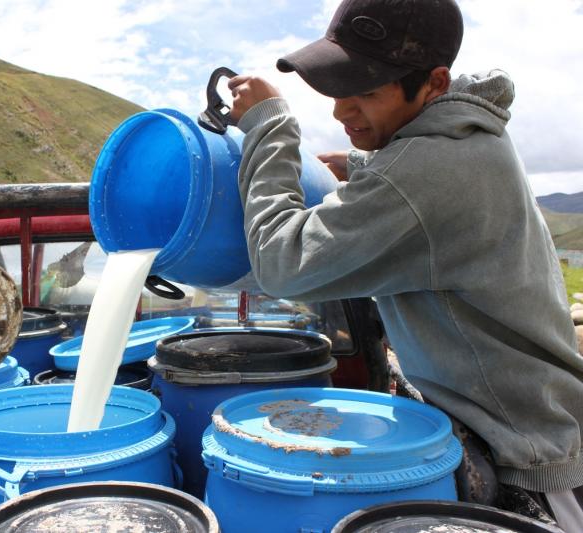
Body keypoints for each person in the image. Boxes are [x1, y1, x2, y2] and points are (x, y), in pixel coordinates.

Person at [226, 0, 583, 529]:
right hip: (534, 419)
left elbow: (283, 263)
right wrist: (366, 165)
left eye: (366, 92)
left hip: (521, 457)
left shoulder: (422, 173)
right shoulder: (468, 135)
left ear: (434, 82)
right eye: (336, 89)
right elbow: (421, 179)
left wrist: (268, 127)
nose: (342, 112)